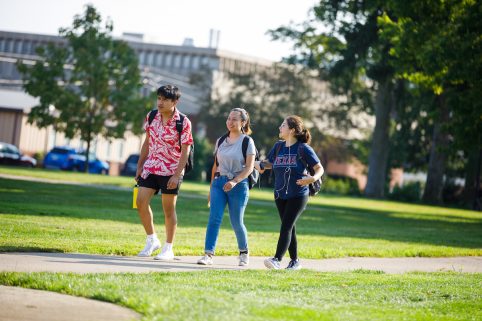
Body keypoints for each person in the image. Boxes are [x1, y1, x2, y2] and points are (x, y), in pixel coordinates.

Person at [254, 115, 324, 270]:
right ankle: (295, 261)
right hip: (280, 194)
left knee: (286, 225)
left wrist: (312, 178)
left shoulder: (303, 148)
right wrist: (256, 163)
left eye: (283, 125)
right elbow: (271, 164)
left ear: (292, 130)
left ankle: (277, 259)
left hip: (299, 193)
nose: (280, 127)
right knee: (289, 226)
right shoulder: (278, 147)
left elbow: (320, 168)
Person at [135, 85, 193, 260]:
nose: (160, 102)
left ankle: (168, 248)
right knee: (140, 201)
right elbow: (147, 142)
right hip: (151, 166)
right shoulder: (151, 116)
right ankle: (152, 240)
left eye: (165, 99)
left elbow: (186, 150)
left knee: (168, 209)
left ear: (175, 102)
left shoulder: (183, 122)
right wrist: (140, 166)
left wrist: (177, 174)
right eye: (159, 98)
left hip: (171, 169)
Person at [197, 108, 256, 266]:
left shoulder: (247, 142)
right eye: (229, 118)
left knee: (236, 221)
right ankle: (208, 254)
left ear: (243, 122)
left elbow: (249, 168)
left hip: (239, 184)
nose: (230, 122)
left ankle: (244, 252)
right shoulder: (220, 140)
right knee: (214, 219)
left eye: (235, 119)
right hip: (218, 183)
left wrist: (235, 181)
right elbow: (215, 166)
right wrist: (211, 189)